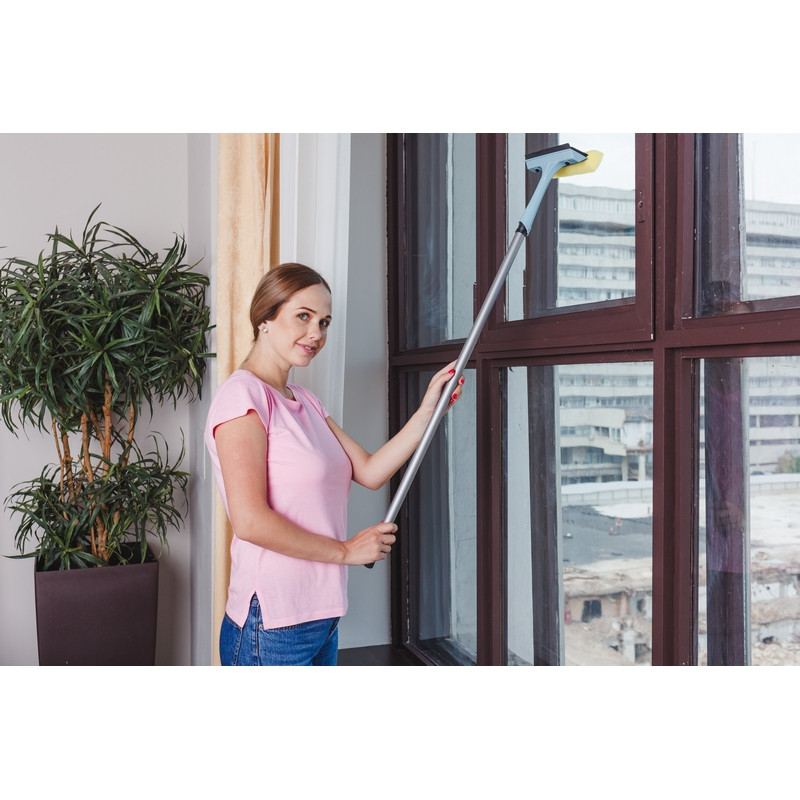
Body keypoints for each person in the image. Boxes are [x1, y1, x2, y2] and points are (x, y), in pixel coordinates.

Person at [204, 263, 464, 666]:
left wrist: (429, 409)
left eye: (324, 322)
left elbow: (371, 471)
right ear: (264, 319)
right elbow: (250, 522)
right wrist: (346, 551)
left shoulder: (306, 401)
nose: (316, 334)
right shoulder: (243, 398)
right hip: (271, 624)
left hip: (321, 617)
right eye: (303, 317)